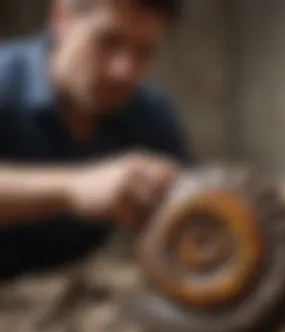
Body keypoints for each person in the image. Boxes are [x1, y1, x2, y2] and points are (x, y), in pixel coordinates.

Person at [0, 0, 193, 278]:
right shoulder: (5, 82)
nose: (124, 71)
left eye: (144, 52)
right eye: (107, 41)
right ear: (62, 18)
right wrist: (74, 188)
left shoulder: (150, 117)